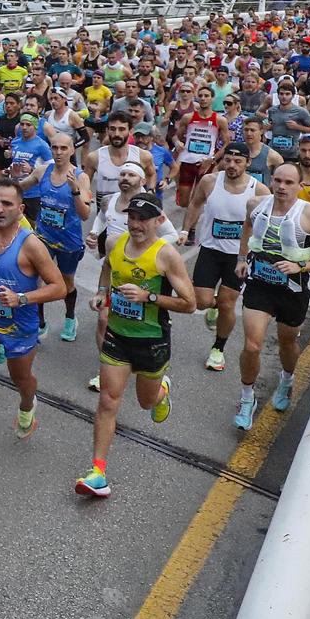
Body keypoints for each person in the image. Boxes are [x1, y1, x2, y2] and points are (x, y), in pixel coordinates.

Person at [77, 196, 196, 498]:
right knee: (108, 401)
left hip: (152, 339)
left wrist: (149, 298)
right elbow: (108, 268)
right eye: (132, 217)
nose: (135, 224)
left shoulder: (166, 255)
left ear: (158, 220)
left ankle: (161, 393)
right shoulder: (116, 242)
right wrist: (102, 293)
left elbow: (189, 303)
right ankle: (98, 472)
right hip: (117, 335)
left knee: (145, 402)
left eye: (143, 219)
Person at [233, 162, 310, 429]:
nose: (282, 187)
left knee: (287, 342)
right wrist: (242, 258)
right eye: (278, 181)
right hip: (259, 284)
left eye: (289, 183)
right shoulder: (255, 204)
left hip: (292, 289)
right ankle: (247, 398)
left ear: (299, 186)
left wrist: (300, 266)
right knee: (252, 345)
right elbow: (248, 227)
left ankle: (287, 380)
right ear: (272, 180)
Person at [0, 180, 68, 438]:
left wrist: (21, 298)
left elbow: (59, 287)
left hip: (18, 325)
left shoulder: (31, 245)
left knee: (21, 379)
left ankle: (28, 406)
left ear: (20, 209)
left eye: (7, 204)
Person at [182, 144, 267, 372]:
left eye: (238, 161)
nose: (231, 165)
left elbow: (268, 223)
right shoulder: (210, 181)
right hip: (210, 250)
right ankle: (213, 305)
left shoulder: (259, 190)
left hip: (238, 256)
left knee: (228, 303)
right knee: (200, 301)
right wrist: (185, 230)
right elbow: (195, 204)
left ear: (248, 163)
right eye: (228, 160)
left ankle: (218, 349)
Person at [21, 133, 94, 341]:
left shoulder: (80, 177)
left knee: (66, 283)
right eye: (55, 148)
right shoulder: (43, 171)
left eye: (63, 148)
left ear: (72, 150)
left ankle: (70, 318)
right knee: (37, 281)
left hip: (68, 241)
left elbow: (85, 214)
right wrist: (6, 183)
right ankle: (40, 323)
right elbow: (20, 188)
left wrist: (75, 192)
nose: (59, 152)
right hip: (43, 237)